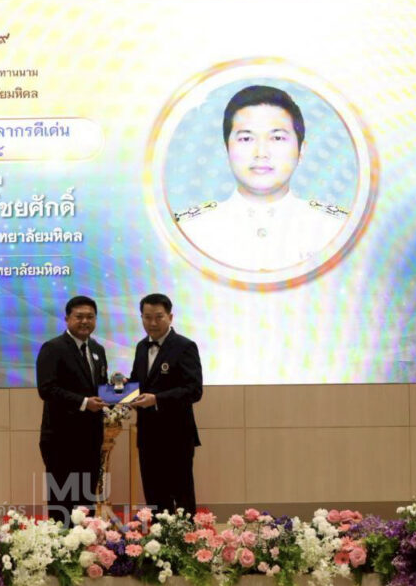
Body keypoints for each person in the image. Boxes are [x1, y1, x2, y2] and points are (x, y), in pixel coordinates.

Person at [175, 84, 348, 270]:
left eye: (277, 138)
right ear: (227, 149)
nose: (261, 153)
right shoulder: (188, 232)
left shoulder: (337, 230)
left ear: (301, 151)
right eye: (246, 139)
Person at [35, 296, 108, 524]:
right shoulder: (53, 348)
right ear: (67, 318)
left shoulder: (97, 349)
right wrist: (84, 402)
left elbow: (99, 389)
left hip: (91, 438)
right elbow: (47, 389)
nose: (85, 321)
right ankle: (60, 545)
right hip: (61, 439)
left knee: (86, 501)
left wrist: (118, 389)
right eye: (79, 317)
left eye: (90, 317)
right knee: (62, 501)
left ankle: (85, 543)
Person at [129, 293, 202, 515]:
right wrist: (122, 391)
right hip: (147, 434)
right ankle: (157, 536)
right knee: (154, 493)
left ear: (170, 317)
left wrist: (157, 399)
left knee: (181, 493)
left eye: (158, 317)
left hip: (177, 435)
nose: (153, 323)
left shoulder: (185, 346)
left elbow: (194, 390)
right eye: (147, 317)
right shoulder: (141, 347)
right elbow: (138, 383)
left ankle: (184, 536)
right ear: (141, 318)